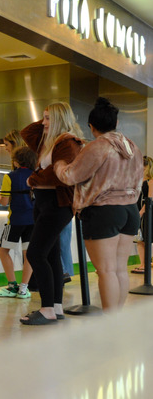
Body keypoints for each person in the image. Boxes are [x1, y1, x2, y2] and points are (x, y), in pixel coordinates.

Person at [54, 97, 143, 311]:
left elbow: (70, 176)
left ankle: (109, 325)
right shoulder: (133, 147)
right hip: (129, 210)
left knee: (105, 270)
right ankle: (117, 319)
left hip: (104, 211)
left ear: (91, 127)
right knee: (120, 269)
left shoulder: (98, 147)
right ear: (116, 123)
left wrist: (59, 164)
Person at [19, 102, 83, 325]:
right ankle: (55, 307)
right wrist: (48, 123)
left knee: (36, 254)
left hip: (58, 203)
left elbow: (59, 175)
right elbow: (26, 132)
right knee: (52, 254)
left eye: (48, 118)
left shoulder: (68, 142)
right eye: (43, 117)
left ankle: (46, 308)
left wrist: (32, 178)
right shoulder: (48, 141)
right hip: (44, 202)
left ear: (60, 119)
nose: (43, 122)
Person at [0, 146, 36, 299]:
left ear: (16, 161)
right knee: (28, 254)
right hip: (33, 220)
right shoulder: (36, 176)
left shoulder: (9, 177)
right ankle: (23, 289)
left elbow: (4, 201)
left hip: (15, 220)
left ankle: (11, 286)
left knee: (2, 250)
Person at [132, 156, 153, 274]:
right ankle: (143, 263)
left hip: (146, 213)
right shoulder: (139, 181)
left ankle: (145, 264)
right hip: (138, 211)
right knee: (139, 239)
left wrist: (141, 212)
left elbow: (149, 199)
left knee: (145, 239)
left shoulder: (151, 181)